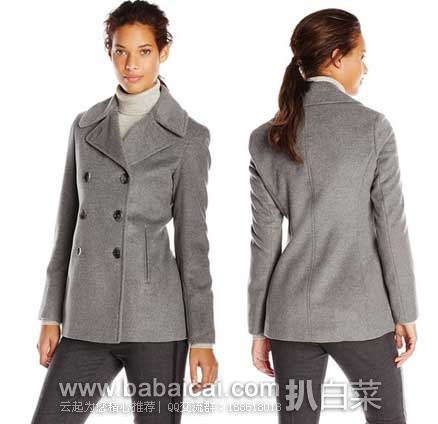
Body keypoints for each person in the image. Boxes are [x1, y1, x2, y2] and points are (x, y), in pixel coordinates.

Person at [32, 1, 218, 422]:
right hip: (86, 315)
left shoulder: (188, 137)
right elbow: (66, 226)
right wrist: (50, 314)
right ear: (109, 52)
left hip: (156, 320)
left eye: (144, 51)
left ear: (163, 52)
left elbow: (194, 244)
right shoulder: (85, 126)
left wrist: (203, 338)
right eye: (120, 51)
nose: (131, 64)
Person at [248, 8, 418, 424]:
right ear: (338, 57)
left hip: (290, 318)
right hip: (363, 316)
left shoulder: (266, 137)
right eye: (361, 55)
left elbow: (263, 243)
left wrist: (259, 327)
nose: (365, 67)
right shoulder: (373, 127)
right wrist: (405, 312)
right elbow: (390, 228)